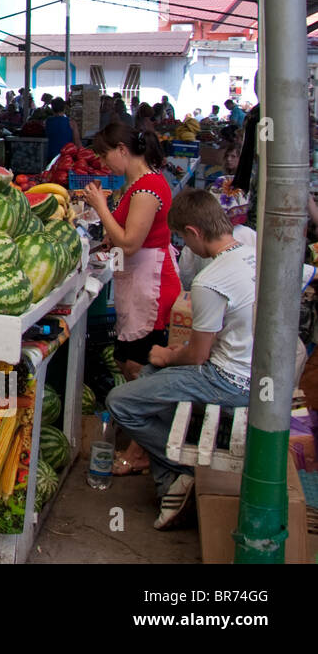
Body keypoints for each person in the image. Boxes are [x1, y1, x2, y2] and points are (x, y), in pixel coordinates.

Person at [106, 189, 309, 529]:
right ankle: (168, 486)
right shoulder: (258, 256)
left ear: (194, 233)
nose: (187, 249)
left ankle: (184, 472)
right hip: (268, 374)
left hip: (229, 382)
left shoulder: (211, 280)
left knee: (120, 401)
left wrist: (167, 355)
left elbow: (198, 356)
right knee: (148, 377)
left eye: (183, 239)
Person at [82, 123, 180, 384]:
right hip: (138, 282)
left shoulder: (147, 189)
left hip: (152, 287)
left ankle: (140, 420)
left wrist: (100, 207)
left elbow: (129, 245)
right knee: (123, 360)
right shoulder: (138, 183)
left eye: (105, 156)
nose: (104, 164)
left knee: (137, 366)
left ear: (122, 149)